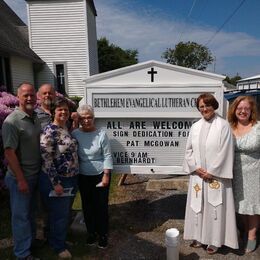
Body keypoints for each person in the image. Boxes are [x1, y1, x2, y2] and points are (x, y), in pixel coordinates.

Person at [183, 93, 238, 254]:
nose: (204, 109)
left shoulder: (223, 125)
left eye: (207, 105)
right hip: (198, 176)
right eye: (201, 106)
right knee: (198, 206)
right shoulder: (195, 126)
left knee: (215, 208)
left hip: (216, 177)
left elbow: (226, 151)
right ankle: (199, 237)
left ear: (214, 105)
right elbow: (188, 150)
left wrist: (212, 172)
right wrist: (195, 168)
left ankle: (215, 241)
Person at [2, 82, 41, 260]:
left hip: (35, 175)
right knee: (20, 217)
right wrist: (20, 180)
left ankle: (30, 243)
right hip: (21, 177)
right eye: (25, 95)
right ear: (18, 96)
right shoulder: (12, 121)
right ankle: (22, 254)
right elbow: (9, 153)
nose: (29, 97)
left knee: (30, 214)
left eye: (32, 94)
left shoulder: (35, 118)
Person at [39, 97, 78, 259]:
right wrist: (56, 183)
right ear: (54, 112)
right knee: (59, 215)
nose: (63, 112)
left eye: (66, 110)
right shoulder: (50, 131)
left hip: (71, 178)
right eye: (60, 109)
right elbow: (46, 159)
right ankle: (59, 246)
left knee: (63, 213)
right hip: (57, 180)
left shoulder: (65, 128)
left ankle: (56, 239)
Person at [71, 104, 113, 249]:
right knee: (87, 205)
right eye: (83, 118)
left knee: (100, 205)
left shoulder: (101, 133)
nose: (87, 120)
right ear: (80, 119)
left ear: (93, 118)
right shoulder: (75, 134)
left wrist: (106, 175)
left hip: (100, 174)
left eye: (89, 117)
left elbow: (107, 155)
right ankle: (91, 233)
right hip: (83, 175)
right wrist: (74, 121)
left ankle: (103, 234)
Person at [228, 96, 260, 253]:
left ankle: (252, 237)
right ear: (234, 110)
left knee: (253, 207)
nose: (243, 111)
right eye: (239, 108)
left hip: (255, 172)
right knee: (240, 206)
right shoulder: (228, 127)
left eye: (246, 108)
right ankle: (246, 230)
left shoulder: (258, 127)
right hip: (235, 173)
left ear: (251, 110)